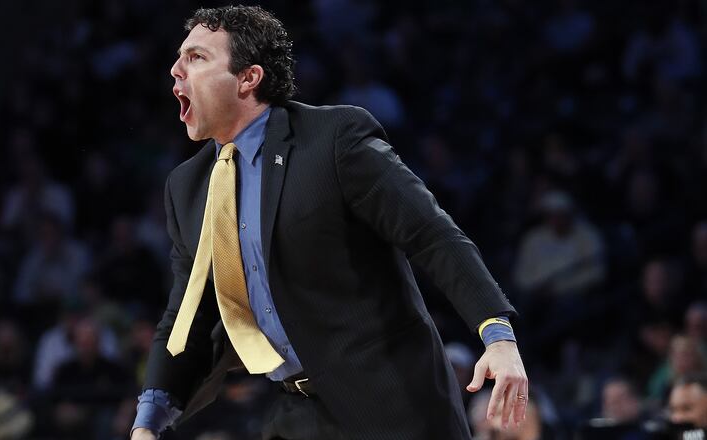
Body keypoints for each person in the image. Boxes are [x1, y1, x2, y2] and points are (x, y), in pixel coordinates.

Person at [132, 5, 527, 439]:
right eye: (178, 57)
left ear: (249, 78)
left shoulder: (334, 139)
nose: (175, 70)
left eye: (196, 57)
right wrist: (149, 419)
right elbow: (187, 315)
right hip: (295, 411)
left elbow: (431, 234)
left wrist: (498, 337)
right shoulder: (187, 187)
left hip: (393, 406)